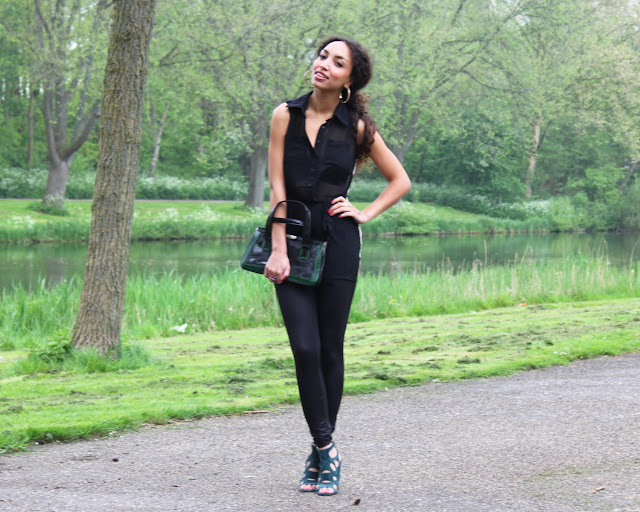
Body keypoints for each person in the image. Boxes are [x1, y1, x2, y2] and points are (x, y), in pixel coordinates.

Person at [264, 35, 411, 496]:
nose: (324, 63)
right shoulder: (284, 115)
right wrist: (278, 248)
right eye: (323, 55)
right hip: (292, 242)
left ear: (350, 79)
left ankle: (320, 451)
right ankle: (327, 447)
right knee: (304, 349)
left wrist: (364, 213)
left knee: (330, 349)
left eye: (337, 61)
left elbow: (400, 180)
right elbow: (277, 188)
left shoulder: (358, 127)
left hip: (340, 245)